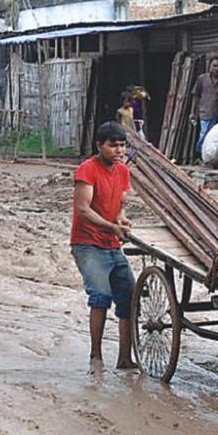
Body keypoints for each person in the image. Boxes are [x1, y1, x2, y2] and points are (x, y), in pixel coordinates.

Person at [72, 122, 137, 372]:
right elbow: (83, 209)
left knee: (129, 298)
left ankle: (125, 358)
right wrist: (112, 227)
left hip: (112, 243)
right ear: (99, 146)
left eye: (122, 145)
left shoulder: (123, 171)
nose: (119, 150)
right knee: (100, 295)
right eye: (113, 145)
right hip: (87, 244)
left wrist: (120, 218)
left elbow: (120, 204)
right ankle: (96, 357)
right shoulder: (87, 170)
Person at [189, 56, 218, 157]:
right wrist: (193, 112)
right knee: (204, 135)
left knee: (214, 137)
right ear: (209, 66)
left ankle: (210, 157)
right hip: (205, 112)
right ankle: (201, 155)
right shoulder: (202, 79)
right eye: (214, 66)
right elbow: (196, 95)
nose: (216, 68)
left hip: (217, 114)